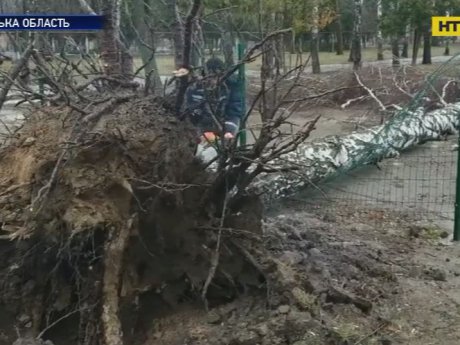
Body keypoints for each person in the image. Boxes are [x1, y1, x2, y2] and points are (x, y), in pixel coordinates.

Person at [184, 57, 244, 142]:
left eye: (217, 76)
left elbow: (234, 110)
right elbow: (190, 111)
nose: (213, 80)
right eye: (210, 76)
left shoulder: (231, 86)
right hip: (199, 128)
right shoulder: (195, 88)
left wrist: (229, 129)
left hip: (222, 125)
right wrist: (198, 133)